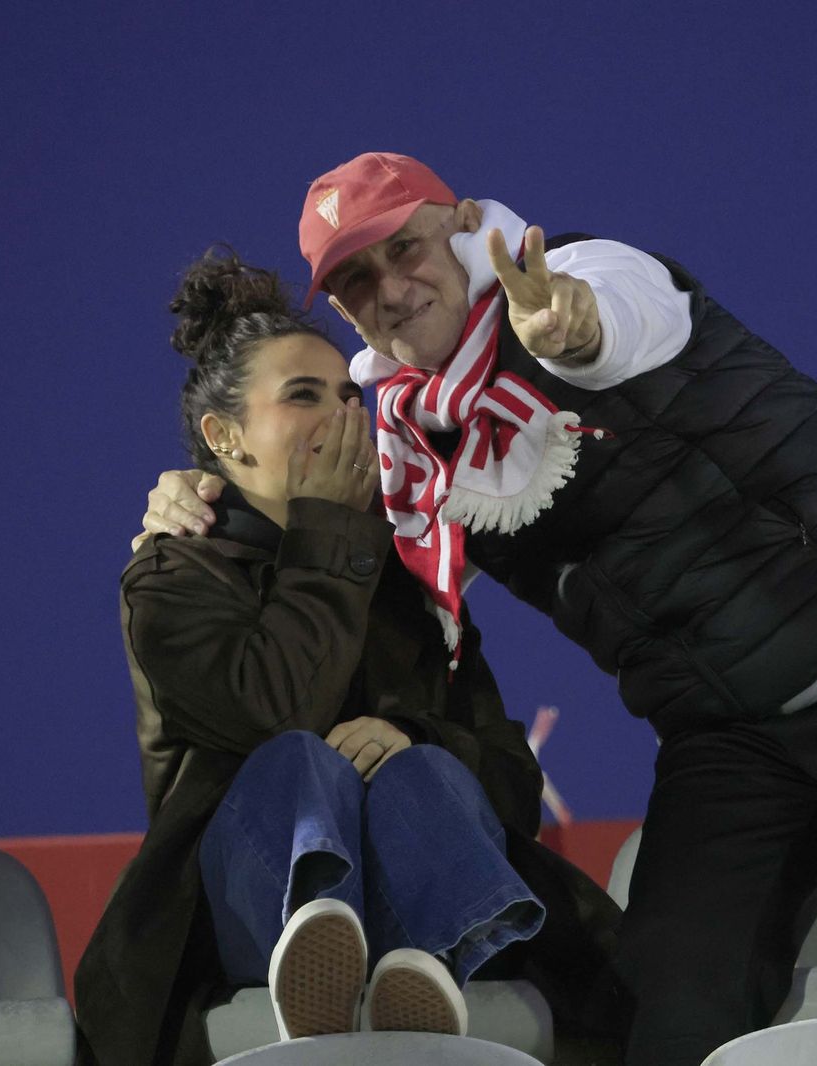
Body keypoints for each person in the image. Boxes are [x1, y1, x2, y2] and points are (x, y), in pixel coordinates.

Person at [142, 153, 817, 1066]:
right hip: (734, 723)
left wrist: (571, 327)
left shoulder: (580, 273)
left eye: (406, 248)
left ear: (464, 225)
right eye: (357, 279)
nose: (390, 289)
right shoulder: (402, 439)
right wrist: (207, 497)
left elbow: (618, 321)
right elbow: (326, 534)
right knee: (671, 999)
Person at [77, 249, 622, 1066]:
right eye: (302, 396)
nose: (339, 417)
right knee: (301, 761)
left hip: (432, 905)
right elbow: (273, 710)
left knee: (425, 767)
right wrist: (329, 533)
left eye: (346, 395)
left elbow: (511, 778)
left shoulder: (406, 579)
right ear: (225, 437)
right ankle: (322, 945)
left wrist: (415, 740)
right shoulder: (174, 575)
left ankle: (420, 966)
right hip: (248, 919)